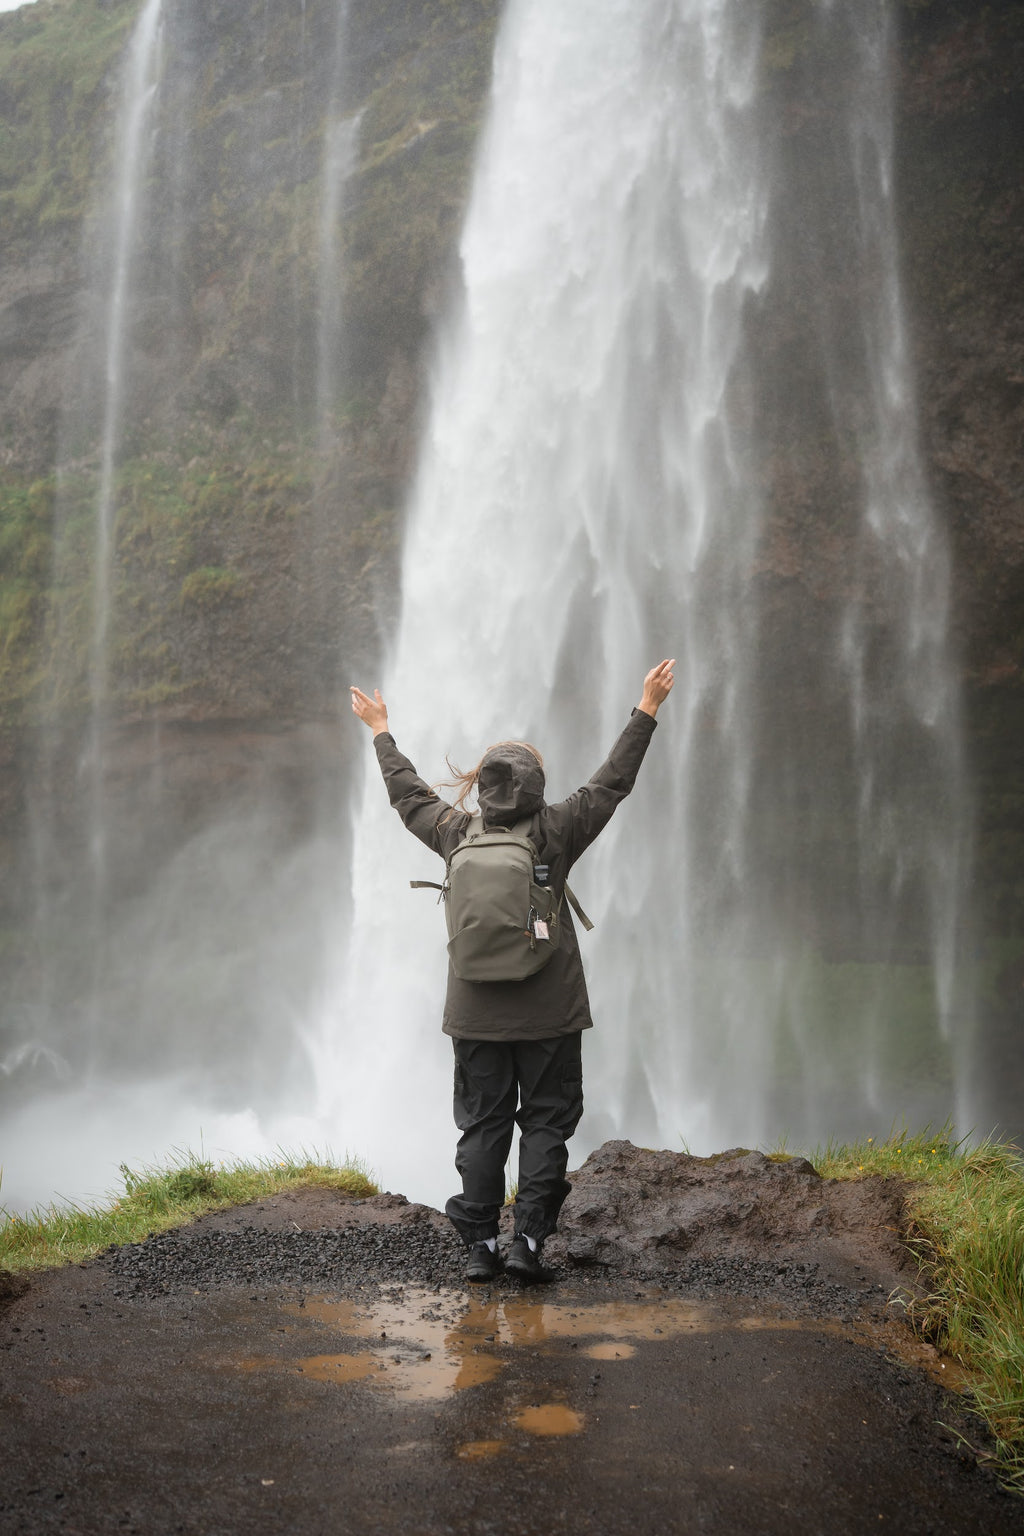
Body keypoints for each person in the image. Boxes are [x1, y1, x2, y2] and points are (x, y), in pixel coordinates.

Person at [349, 659, 675, 1283]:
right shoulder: (557, 830)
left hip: (474, 1011)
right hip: (548, 1009)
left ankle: (479, 1249)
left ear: (482, 788)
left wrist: (381, 730)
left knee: (482, 1122)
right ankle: (526, 1242)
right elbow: (611, 784)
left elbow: (408, 795)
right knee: (546, 1121)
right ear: (536, 787)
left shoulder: (453, 831)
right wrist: (647, 709)